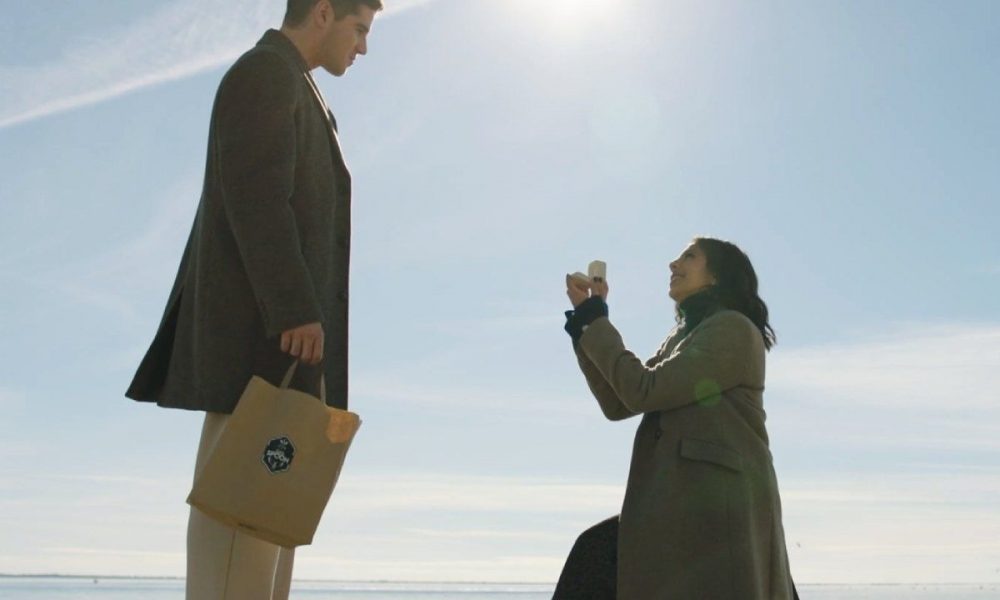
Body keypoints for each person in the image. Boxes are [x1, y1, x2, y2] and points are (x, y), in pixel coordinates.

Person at [124, 1, 382, 598]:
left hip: (286, 362)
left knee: (265, 546)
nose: (363, 48)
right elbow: (256, 196)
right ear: (323, 12)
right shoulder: (264, 72)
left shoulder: (298, 87)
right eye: (359, 30)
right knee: (235, 549)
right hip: (259, 355)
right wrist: (294, 308)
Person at [554, 237, 798, 599]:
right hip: (679, 507)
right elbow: (618, 403)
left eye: (689, 256)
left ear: (716, 276)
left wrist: (596, 322)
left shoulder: (732, 328)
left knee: (594, 555)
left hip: (718, 510)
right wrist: (585, 327)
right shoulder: (682, 337)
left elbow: (642, 389)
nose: (673, 263)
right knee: (593, 554)